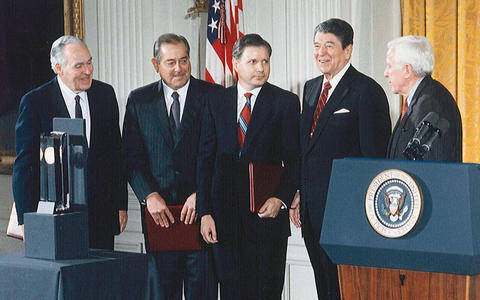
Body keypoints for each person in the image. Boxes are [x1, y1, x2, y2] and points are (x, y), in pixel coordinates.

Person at [289, 18, 391, 300]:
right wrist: (299, 193)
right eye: (317, 46)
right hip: (311, 211)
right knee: (324, 286)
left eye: (329, 45)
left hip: (348, 214)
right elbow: (305, 149)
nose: (321, 52)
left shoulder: (367, 91)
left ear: (348, 50)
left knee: (347, 289)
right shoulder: (310, 89)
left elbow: (375, 158)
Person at [197, 33, 300, 300]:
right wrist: (205, 212)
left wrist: (281, 198)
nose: (260, 67)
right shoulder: (216, 100)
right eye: (253, 61)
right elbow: (205, 160)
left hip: (266, 218)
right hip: (224, 219)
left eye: (265, 61)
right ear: (235, 64)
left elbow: (295, 160)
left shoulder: (286, 102)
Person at [122, 33, 219, 300]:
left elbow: (223, 157)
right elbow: (131, 158)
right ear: (156, 64)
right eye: (171, 62)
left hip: (202, 219)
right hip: (159, 220)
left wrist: (203, 194)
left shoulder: (215, 96)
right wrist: (149, 195)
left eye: (184, 60)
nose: (179, 68)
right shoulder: (139, 100)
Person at [12, 35, 127, 250]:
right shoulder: (35, 102)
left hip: (100, 216)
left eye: (90, 62)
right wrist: (26, 220)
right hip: (54, 218)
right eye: (79, 66)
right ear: (58, 68)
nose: (88, 70)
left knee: (99, 280)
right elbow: (24, 167)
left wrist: (120, 206)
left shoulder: (105, 95)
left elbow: (115, 155)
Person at [385, 35, 462, 161]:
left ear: (407, 70)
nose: (386, 73)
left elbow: (431, 164)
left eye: (389, 66)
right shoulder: (420, 98)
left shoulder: (432, 102)